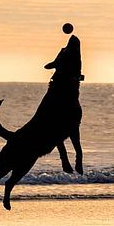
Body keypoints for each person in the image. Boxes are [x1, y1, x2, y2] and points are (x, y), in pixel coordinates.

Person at [40, 22, 84, 174]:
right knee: (57, 128)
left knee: (69, 127)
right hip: (58, 88)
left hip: (67, 90)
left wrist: (56, 65)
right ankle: (65, 159)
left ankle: (78, 157)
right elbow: (52, 64)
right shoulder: (65, 54)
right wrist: (53, 64)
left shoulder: (75, 57)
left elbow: (57, 63)